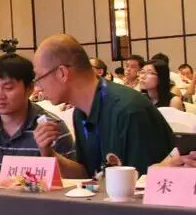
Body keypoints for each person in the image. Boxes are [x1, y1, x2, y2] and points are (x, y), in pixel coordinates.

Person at [33, 34, 174, 176]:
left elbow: (148, 181)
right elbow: (88, 176)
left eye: (39, 78)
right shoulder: (80, 113)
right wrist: (49, 153)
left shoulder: (129, 110)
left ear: (62, 73)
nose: (38, 88)